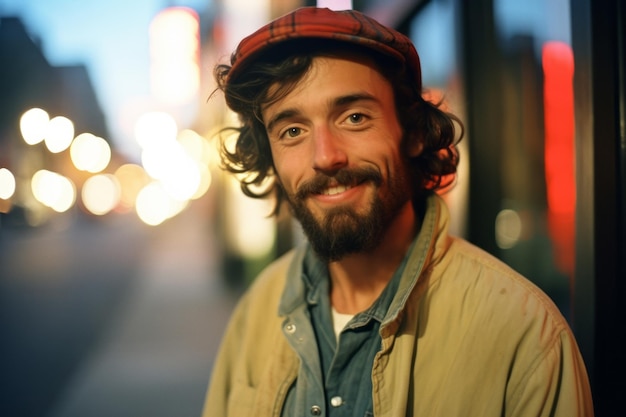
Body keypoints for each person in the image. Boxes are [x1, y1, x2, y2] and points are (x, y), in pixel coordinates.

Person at [202, 6, 593, 417]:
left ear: (412, 133)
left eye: (354, 117)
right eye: (293, 131)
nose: (325, 157)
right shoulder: (257, 311)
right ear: (271, 156)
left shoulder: (523, 333)